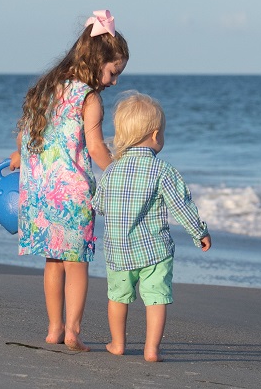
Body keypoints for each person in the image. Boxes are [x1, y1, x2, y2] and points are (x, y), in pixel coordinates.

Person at [9, 9, 128, 352]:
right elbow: (94, 147)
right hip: (72, 192)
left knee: (53, 262)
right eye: (112, 72)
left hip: (40, 191)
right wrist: (119, 173)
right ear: (97, 61)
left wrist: (18, 156)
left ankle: (53, 328)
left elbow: (25, 134)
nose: (114, 81)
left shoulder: (47, 89)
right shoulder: (89, 100)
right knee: (77, 263)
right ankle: (73, 331)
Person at [91, 91, 212, 362]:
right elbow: (182, 206)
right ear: (156, 135)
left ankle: (118, 343)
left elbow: (98, 204)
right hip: (154, 250)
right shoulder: (163, 170)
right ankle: (151, 349)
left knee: (118, 296)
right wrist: (199, 232)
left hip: (119, 252)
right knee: (156, 297)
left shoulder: (112, 170)